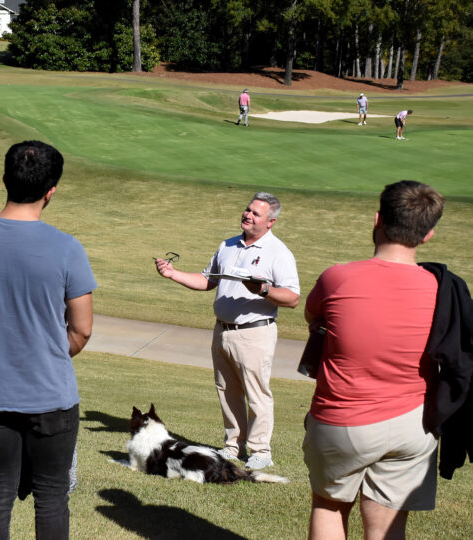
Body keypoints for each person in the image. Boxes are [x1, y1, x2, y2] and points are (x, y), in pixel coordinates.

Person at [0, 140, 96, 539]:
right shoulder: (67, 248)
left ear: (4, 180)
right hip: (50, 394)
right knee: (51, 496)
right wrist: (46, 350)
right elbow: (81, 329)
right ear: (52, 190)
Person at [302, 180, 445, 540]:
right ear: (428, 235)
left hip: (343, 419)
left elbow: (313, 318)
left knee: (329, 506)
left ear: (377, 219)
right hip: (414, 422)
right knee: (388, 526)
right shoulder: (442, 289)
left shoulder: (337, 277)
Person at [155, 192, 299, 470]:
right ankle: (234, 445)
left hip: (254, 332)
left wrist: (265, 289)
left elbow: (292, 297)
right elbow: (207, 280)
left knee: (256, 392)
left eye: (256, 214)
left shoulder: (278, 252)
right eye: (248, 210)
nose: (248, 215)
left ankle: (260, 451)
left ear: (270, 222)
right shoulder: (228, 245)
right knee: (227, 390)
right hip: (222, 330)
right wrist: (173, 273)